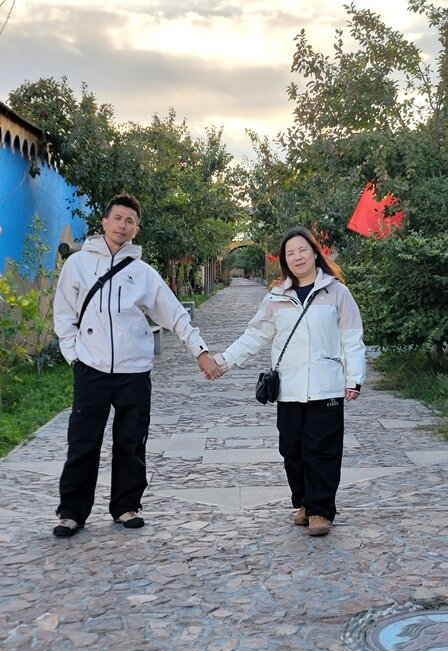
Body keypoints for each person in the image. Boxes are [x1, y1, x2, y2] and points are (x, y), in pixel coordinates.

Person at [53, 193, 221, 537]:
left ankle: (126, 506)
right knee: (83, 442)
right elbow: (64, 314)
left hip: (134, 371)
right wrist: (74, 357)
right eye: (117, 218)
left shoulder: (143, 273)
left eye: (130, 221)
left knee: (131, 441)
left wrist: (200, 351)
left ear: (136, 229)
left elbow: (174, 314)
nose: (122, 225)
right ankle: (71, 513)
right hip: (91, 369)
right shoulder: (78, 264)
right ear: (104, 222)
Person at [213, 226, 366, 536]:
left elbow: (352, 338)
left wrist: (354, 378)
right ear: (284, 260)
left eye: (302, 250)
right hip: (289, 388)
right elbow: (255, 336)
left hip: (325, 386)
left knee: (322, 449)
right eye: (290, 253)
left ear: (315, 253)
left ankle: (320, 510)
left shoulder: (337, 293)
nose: (297, 257)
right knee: (292, 449)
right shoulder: (276, 296)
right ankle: (305, 502)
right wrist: (223, 361)